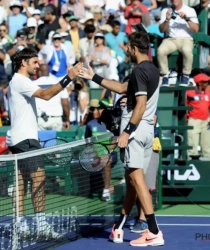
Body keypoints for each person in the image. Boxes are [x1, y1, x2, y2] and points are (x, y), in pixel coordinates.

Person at [78, 31, 164, 247]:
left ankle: (153, 231)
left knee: (137, 179)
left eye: (128, 47)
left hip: (136, 131)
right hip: (146, 131)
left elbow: (141, 105)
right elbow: (122, 88)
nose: (126, 50)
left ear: (134, 48)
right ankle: (120, 225)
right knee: (133, 180)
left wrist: (126, 132)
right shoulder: (152, 69)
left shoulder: (138, 71)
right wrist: (93, 77)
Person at [6, 47, 83, 239]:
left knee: (21, 181)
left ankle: (20, 225)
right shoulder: (20, 80)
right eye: (34, 61)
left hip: (22, 137)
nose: (38, 64)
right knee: (39, 178)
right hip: (25, 139)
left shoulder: (18, 81)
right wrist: (69, 77)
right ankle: (40, 226)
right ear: (23, 63)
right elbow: (47, 94)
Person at [130, 109, 162, 233]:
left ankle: (143, 221)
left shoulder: (150, 102)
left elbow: (152, 121)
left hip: (150, 143)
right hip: (135, 144)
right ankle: (140, 218)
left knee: (146, 184)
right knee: (136, 183)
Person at [186, 73, 210, 159]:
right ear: (199, 83)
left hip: (206, 121)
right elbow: (183, 106)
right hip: (193, 121)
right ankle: (192, 165)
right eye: (206, 82)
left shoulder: (208, 92)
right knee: (192, 147)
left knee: (206, 147)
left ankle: (206, 165)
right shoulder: (189, 92)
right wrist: (186, 119)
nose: (208, 83)